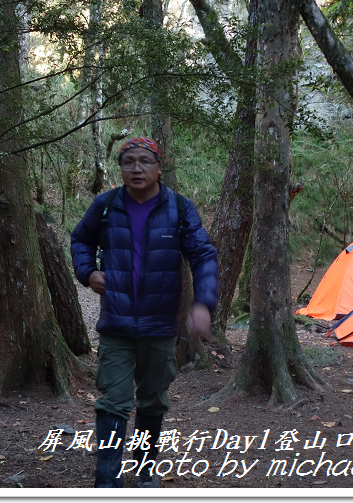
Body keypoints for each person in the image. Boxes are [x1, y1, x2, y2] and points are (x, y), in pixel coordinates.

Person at [71, 136, 218, 488]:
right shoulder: (106, 205)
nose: (136, 168)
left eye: (144, 161)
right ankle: (107, 478)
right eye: (128, 162)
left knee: (153, 401)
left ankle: (145, 466)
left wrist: (204, 304)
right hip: (116, 323)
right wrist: (87, 272)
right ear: (120, 168)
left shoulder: (179, 209)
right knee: (114, 400)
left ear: (158, 167)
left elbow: (203, 255)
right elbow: (80, 239)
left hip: (160, 324)